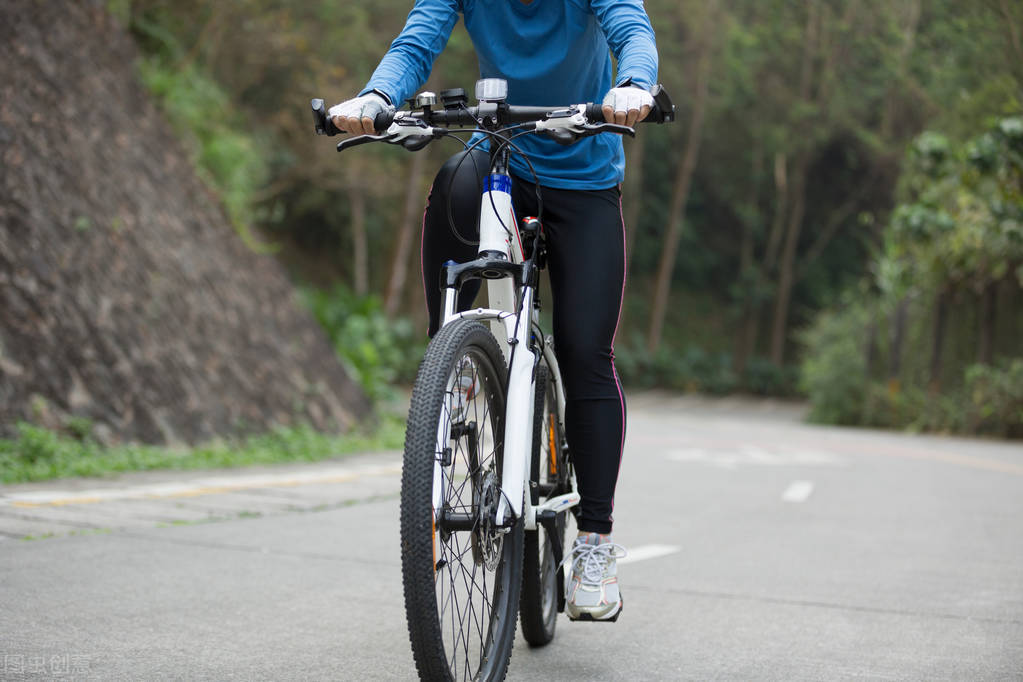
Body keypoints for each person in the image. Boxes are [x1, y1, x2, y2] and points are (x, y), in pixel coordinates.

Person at [330, 0, 658, 622]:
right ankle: (448, 366)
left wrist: (635, 85)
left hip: (584, 176)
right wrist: (378, 96)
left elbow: (631, 30)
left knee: (586, 352)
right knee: (453, 181)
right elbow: (417, 41)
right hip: (502, 156)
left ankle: (594, 541)